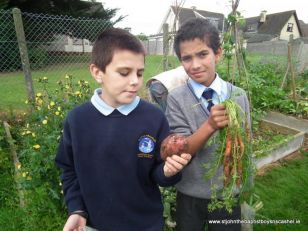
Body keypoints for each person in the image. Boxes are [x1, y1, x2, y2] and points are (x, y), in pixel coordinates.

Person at [55, 28, 191, 231]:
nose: (135, 81)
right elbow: (68, 169)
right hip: (94, 225)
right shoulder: (78, 120)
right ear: (97, 72)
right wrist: (77, 209)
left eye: (140, 73)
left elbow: (158, 173)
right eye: (124, 73)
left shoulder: (153, 117)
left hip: (146, 224)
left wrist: (169, 170)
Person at [165, 18, 252, 231]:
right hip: (190, 193)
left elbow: (245, 142)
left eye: (203, 54)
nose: (195, 65)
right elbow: (181, 148)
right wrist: (210, 125)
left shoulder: (239, 96)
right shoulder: (177, 98)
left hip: (227, 193)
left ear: (218, 53)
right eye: (187, 58)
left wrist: (243, 182)